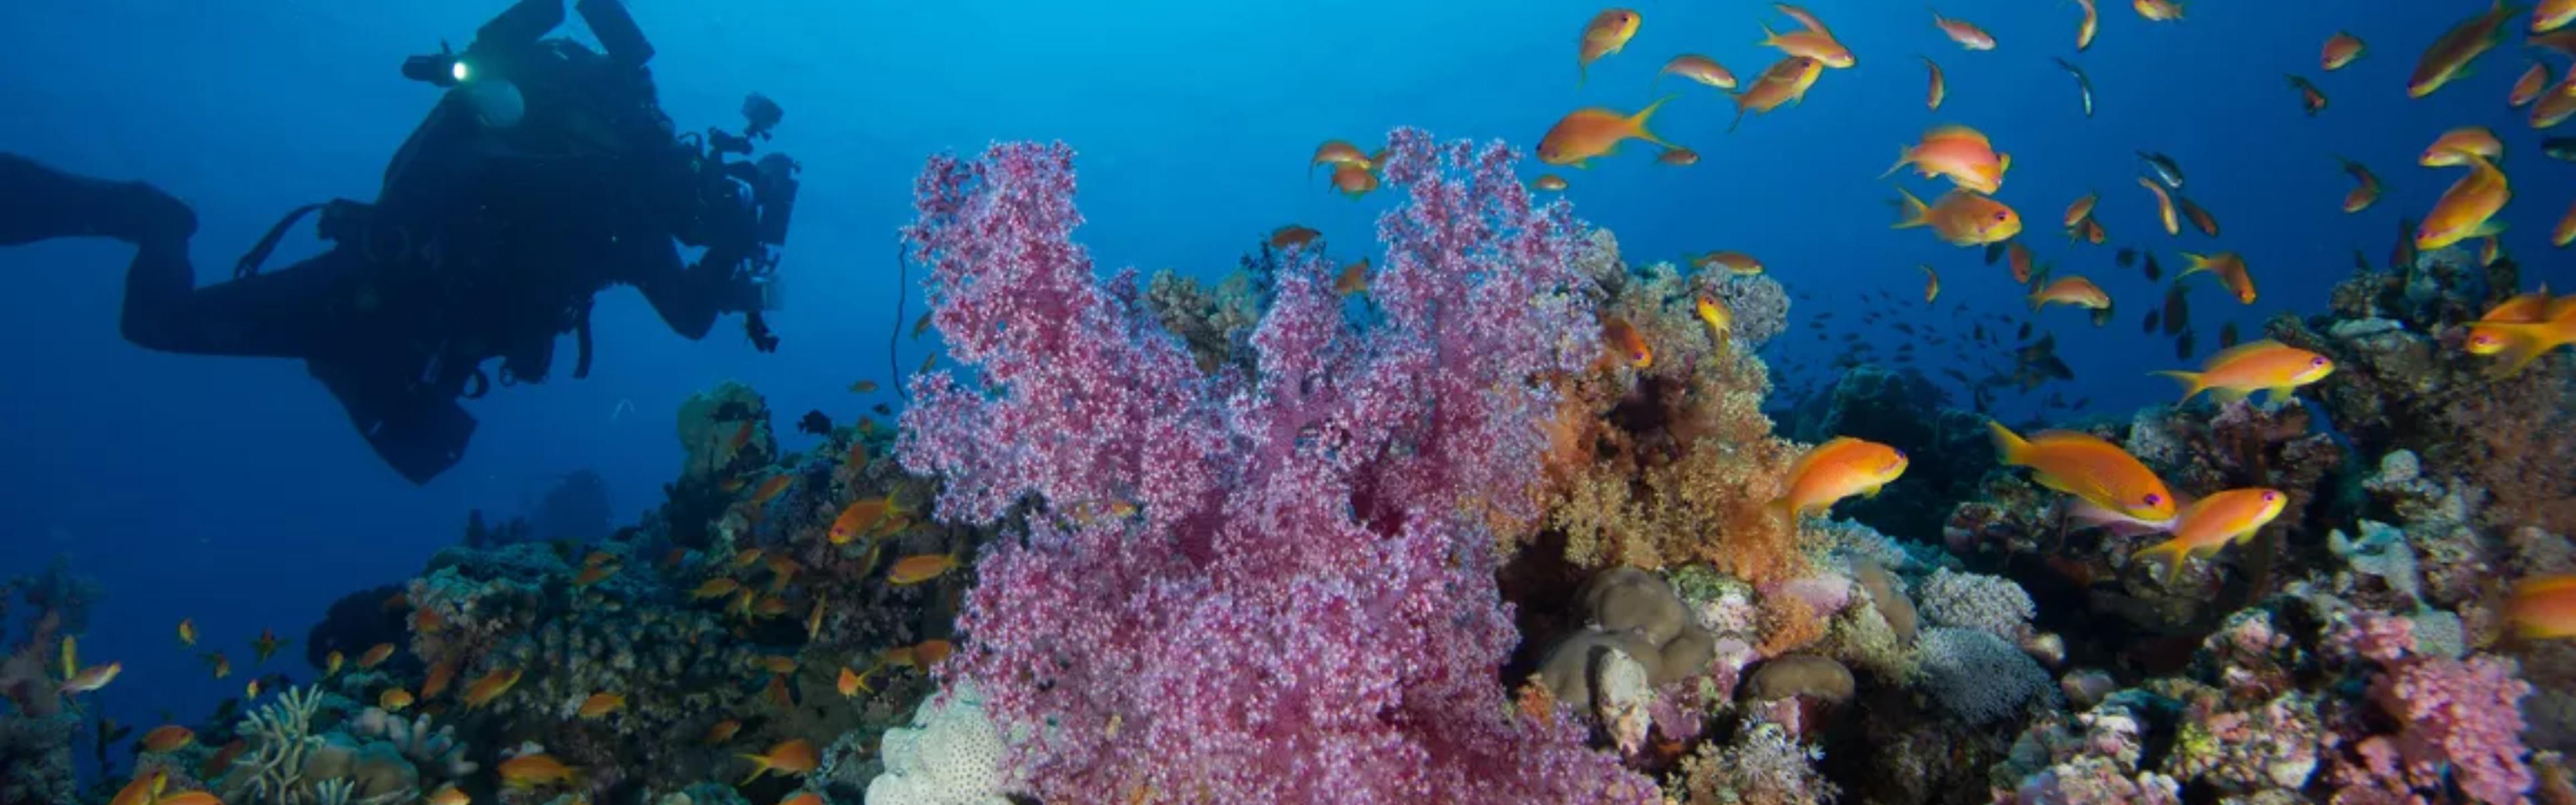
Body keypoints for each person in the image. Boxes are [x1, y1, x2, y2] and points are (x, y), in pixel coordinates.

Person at [0, 0, 798, 484]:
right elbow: (691, 309)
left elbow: (694, 314)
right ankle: (153, 218)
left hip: (403, 329)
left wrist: (731, 246)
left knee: (417, 446)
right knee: (159, 328)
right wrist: (729, 240)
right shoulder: (607, 175)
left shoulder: (630, 218)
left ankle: (153, 223)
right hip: (375, 290)